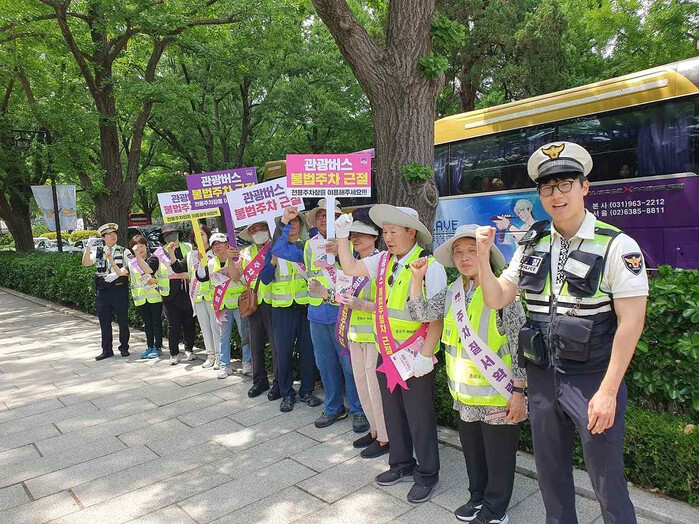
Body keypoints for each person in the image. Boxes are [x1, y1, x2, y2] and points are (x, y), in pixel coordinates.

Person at [475, 141, 648, 524]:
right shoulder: (531, 241)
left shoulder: (616, 244)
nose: (557, 195)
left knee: (607, 483)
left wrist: (608, 392)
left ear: (585, 187)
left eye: (566, 184)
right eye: (548, 187)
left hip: (592, 380)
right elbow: (497, 297)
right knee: (550, 477)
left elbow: (631, 323)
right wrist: (484, 258)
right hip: (541, 378)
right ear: (540, 195)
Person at [408, 225, 527, 524]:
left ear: (486, 254)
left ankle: (495, 511)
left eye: (472, 250)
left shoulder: (505, 292)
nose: (464, 258)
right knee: (473, 454)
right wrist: (417, 279)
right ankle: (477, 498)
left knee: (499, 458)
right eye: (458, 252)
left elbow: (520, 345)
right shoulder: (452, 292)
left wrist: (519, 392)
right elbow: (419, 313)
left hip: (498, 395)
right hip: (464, 396)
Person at [335, 205, 446, 504]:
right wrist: (342, 236)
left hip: (415, 356)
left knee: (419, 417)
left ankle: (427, 474)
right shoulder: (383, 260)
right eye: (385, 232)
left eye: (393, 232)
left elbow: (436, 317)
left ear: (411, 232)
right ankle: (400, 463)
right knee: (393, 412)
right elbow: (350, 268)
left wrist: (426, 355)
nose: (388, 238)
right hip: (387, 351)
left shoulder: (430, 266)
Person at [272, 199, 366, 431]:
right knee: (325, 366)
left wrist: (341, 252)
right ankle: (334, 408)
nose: (325, 218)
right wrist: (284, 221)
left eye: (330, 214)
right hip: (317, 315)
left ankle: (359, 410)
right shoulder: (308, 245)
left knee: (350, 366)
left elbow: (363, 272)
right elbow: (278, 249)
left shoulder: (353, 243)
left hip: (344, 314)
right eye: (321, 215)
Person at [335, 208, 389, 458]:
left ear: (375, 236)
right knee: (362, 387)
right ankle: (375, 430)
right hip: (355, 334)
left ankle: (386, 437)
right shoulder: (352, 263)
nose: (355, 238)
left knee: (375, 390)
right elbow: (342, 297)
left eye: (361, 234)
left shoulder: (382, 262)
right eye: (352, 235)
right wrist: (326, 293)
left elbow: (387, 303)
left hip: (375, 337)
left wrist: (363, 305)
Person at [259, 212, 322, 412]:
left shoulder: (306, 247)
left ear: (301, 226)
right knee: (283, 353)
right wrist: (272, 262)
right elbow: (265, 279)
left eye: (296, 222)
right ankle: (287, 393)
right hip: (282, 309)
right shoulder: (274, 249)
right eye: (288, 222)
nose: (292, 225)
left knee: (308, 352)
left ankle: (307, 391)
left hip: (305, 307)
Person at [229, 221, 280, 398]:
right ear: (249, 234)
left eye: (262, 228)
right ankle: (259, 380)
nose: (258, 232)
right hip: (253, 303)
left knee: (276, 345)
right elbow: (236, 277)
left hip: (274, 301)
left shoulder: (276, 247)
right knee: (255, 344)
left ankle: (279, 382)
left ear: (268, 230)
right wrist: (229, 259)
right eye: (254, 229)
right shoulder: (245, 253)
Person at [194, 233, 249, 379]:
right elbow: (204, 278)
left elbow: (240, 278)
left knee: (244, 335)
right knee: (223, 336)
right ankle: (225, 365)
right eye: (214, 244)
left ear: (227, 244)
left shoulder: (238, 259)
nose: (217, 246)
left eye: (220, 242)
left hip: (239, 303)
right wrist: (200, 261)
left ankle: (247, 363)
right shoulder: (211, 263)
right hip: (222, 305)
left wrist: (232, 264)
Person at [82, 223, 132, 361]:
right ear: (103, 237)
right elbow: (86, 263)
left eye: (114, 234)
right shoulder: (99, 251)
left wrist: (118, 274)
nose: (113, 236)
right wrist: (88, 247)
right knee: (104, 322)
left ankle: (124, 347)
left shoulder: (123, 251)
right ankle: (107, 350)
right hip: (103, 290)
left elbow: (131, 267)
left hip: (119, 289)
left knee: (122, 320)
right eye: (109, 234)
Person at [160, 223, 196, 365]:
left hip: (187, 290)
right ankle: (174, 353)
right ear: (163, 238)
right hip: (170, 294)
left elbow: (194, 265)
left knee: (189, 323)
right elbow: (150, 268)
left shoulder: (188, 247)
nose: (171, 236)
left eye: (173, 233)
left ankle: (189, 349)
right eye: (167, 235)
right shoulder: (159, 252)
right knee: (173, 325)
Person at [128, 235, 168, 360]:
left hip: (155, 296)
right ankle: (149, 346)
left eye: (142, 246)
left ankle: (158, 347)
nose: (140, 249)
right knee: (147, 323)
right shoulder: (132, 263)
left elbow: (161, 275)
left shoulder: (154, 259)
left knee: (156, 322)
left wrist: (156, 280)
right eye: (136, 247)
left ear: (146, 246)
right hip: (142, 298)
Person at [187, 225, 221, 369]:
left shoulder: (215, 252)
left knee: (216, 328)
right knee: (205, 328)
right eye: (196, 235)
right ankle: (210, 355)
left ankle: (219, 357)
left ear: (207, 235)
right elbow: (189, 273)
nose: (199, 237)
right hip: (198, 296)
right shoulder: (191, 255)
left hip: (213, 295)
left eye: (202, 234)